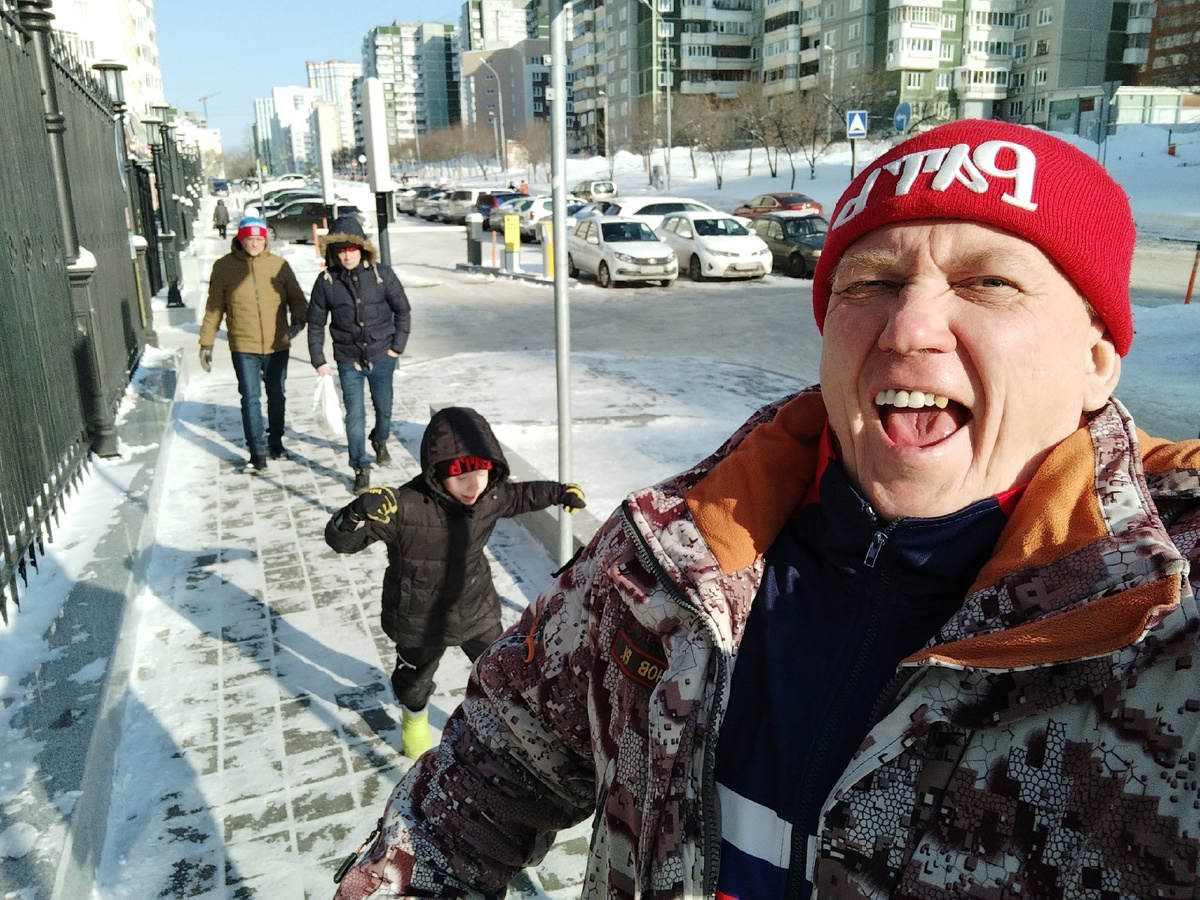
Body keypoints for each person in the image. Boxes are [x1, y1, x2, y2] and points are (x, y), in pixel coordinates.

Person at [333, 120, 1200, 900]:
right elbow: (498, 752)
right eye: (871, 282)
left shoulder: (1169, 618)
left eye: (987, 283)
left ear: (1095, 359)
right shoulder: (672, 555)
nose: (909, 329)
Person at [324, 406, 586, 758]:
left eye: (482, 470)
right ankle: (414, 717)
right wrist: (355, 512)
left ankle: (512, 720)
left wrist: (559, 492)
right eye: (460, 473)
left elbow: (523, 495)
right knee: (414, 681)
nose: (473, 483)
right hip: (418, 620)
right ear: (435, 470)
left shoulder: (490, 495)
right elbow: (343, 541)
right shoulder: (403, 507)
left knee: (504, 665)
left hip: (475, 609)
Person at [307, 215, 412, 494]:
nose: (346, 256)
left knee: (384, 410)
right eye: (340, 250)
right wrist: (318, 359)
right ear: (334, 252)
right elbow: (316, 323)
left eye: (351, 249)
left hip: (381, 355)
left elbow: (403, 311)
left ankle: (380, 439)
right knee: (354, 415)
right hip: (348, 359)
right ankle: (360, 467)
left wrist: (395, 348)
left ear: (361, 249)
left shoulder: (382, 275)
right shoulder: (326, 281)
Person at [199, 215, 307, 473]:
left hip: (277, 343)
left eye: (259, 239)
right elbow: (214, 308)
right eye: (250, 239)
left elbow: (297, 298)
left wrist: (298, 320)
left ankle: (276, 442)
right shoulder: (224, 267)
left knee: (277, 396)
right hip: (243, 345)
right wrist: (206, 342)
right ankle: (256, 452)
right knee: (250, 398)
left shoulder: (279, 265)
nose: (255, 244)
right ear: (240, 239)